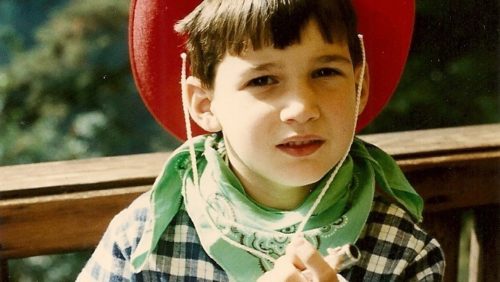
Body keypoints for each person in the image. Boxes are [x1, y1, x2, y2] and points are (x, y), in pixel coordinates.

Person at [78, 0, 445, 281]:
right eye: (263, 80)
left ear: (359, 87)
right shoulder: (144, 239)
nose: (301, 108)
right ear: (205, 104)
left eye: (325, 72)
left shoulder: (402, 250)